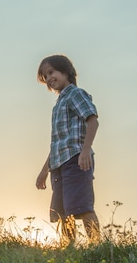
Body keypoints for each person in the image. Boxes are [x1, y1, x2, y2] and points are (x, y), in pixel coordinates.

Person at [35, 54, 100, 244]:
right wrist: (43, 171)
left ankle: (97, 246)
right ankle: (68, 249)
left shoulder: (75, 94)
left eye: (51, 72)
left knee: (82, 205)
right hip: (59, 164)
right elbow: (57, 143)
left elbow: (93, 121)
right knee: (62, 211)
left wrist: (86, 150)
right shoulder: (58, 105)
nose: (48, 78)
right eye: (45, 76)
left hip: (76, 159)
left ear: (66, 71)